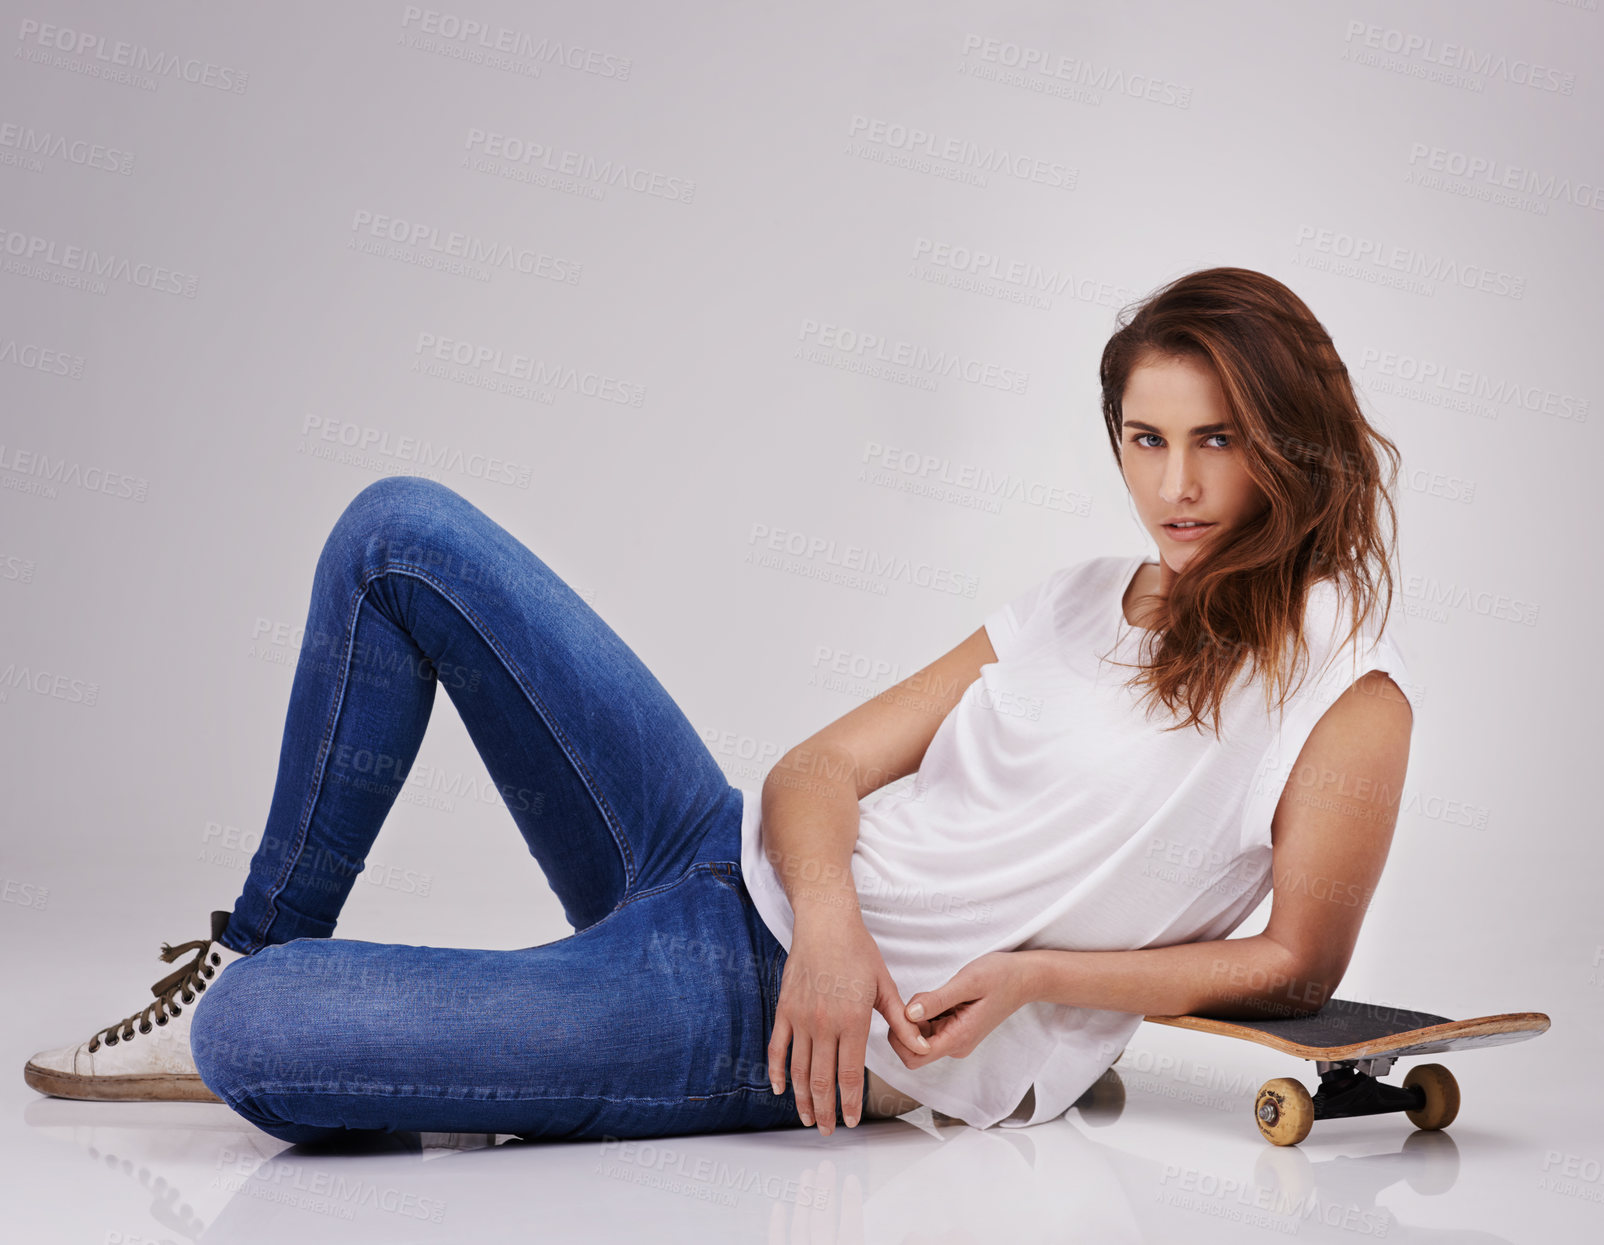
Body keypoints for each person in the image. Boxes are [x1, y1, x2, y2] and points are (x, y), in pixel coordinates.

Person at [23, 266, 1416, 1144]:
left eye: (1217, 439)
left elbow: (1293, 960)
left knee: (256, 1039)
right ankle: (256, 937)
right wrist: (831, 918)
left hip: (759, 1014)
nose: (1174, 485)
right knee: (401, 534)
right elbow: (818, 766)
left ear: (1290, 441)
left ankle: (359, 1017)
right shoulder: (1075, 596)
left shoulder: (1341, 700)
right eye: (1146, 439)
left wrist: (1047, 985)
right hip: (730, 857)